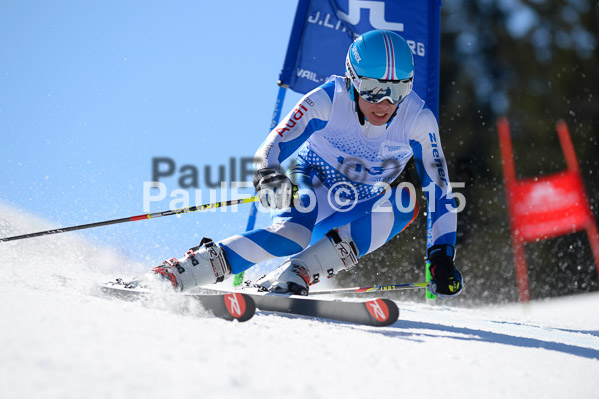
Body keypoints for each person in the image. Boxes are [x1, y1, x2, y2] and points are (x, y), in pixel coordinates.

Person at [147, 30, 463, 298]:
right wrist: (267, 174)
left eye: (397, 90)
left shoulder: (418, 120)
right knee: (293, 236)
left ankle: (298, 271)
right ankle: (185, 270)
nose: (384, 103)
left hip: (356, 208)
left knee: (407, 201)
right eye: (373, 89)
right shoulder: (330, 98)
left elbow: (441, 191)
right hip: (309, 186)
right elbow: (275, 142)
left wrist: (442, 255)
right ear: (353, 80)